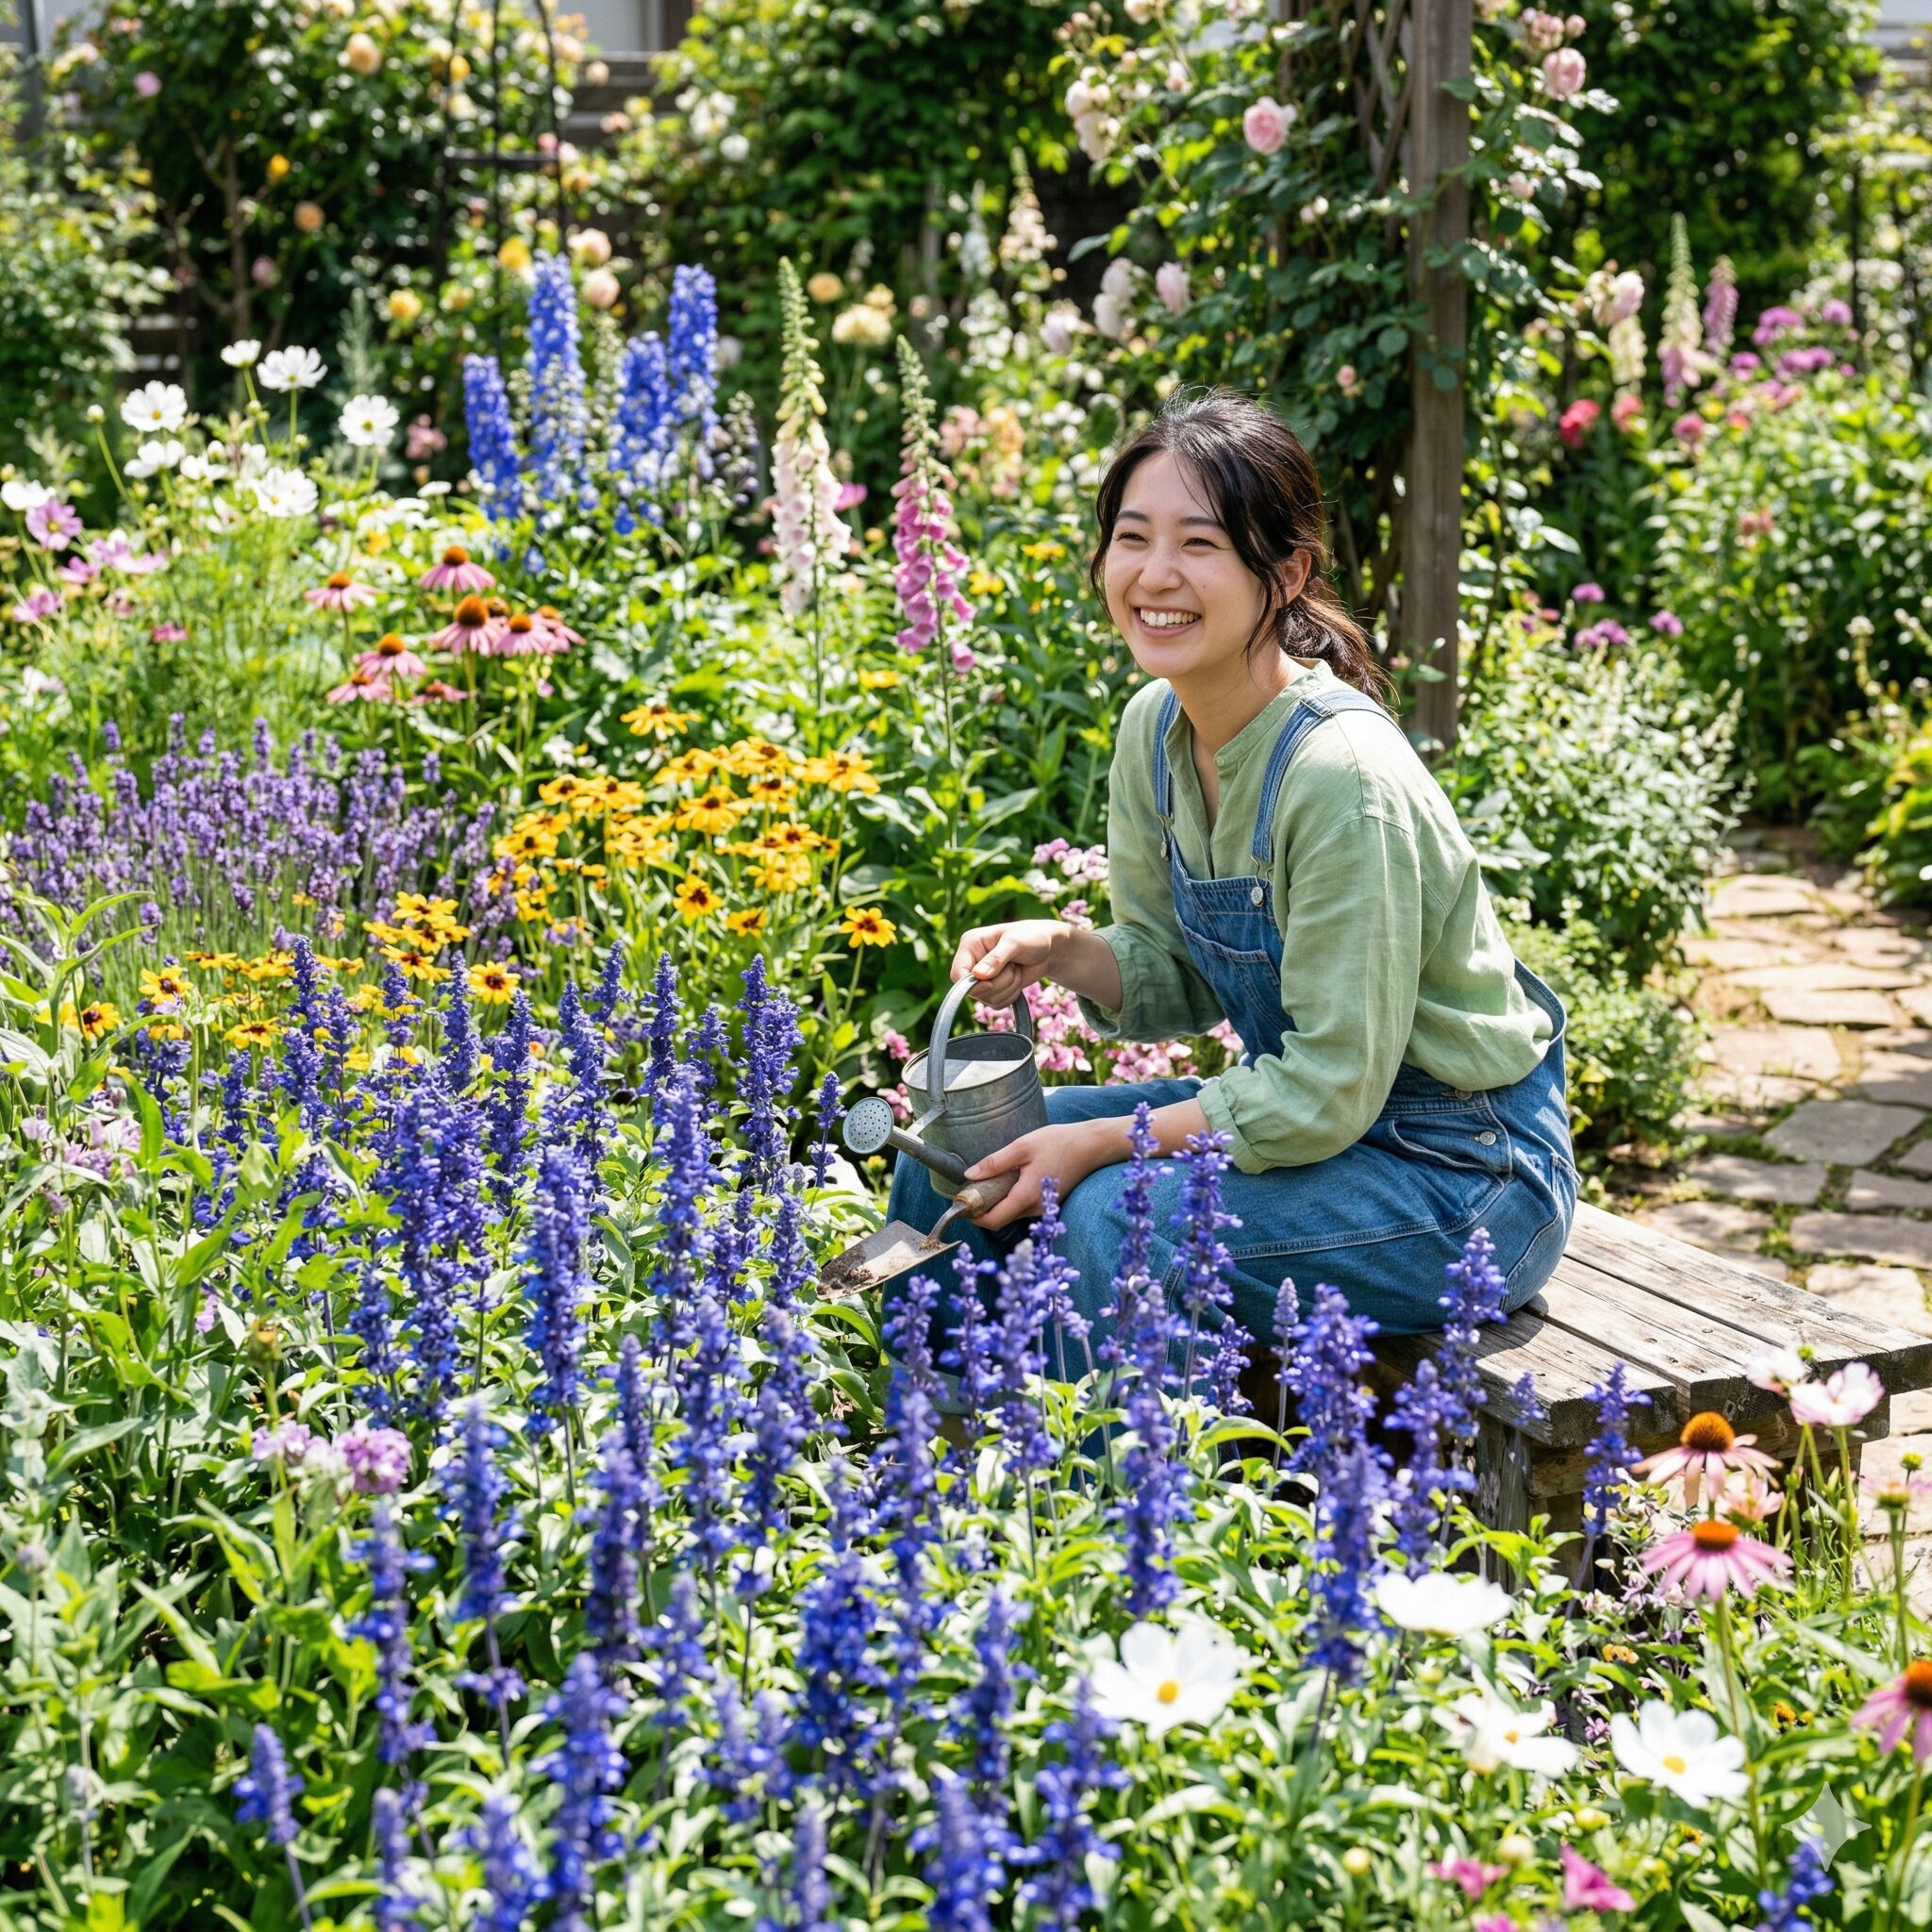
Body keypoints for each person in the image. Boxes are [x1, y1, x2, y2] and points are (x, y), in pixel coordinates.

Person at [883, 391, 1575, 1353]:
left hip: (1458, 1175)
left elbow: (1328, 1086)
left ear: (1284, 573)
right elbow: (1175, 969)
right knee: (956, 1153)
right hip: (1314, 1139)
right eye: (1131, 537)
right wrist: (1063, 949)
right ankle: (941, 1452)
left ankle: (1118, 1494)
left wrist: (1094, 1142)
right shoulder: (1154, 728)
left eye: (1198, 544)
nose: (1153, 574)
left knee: (1117, 1215)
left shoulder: (1342, 779)